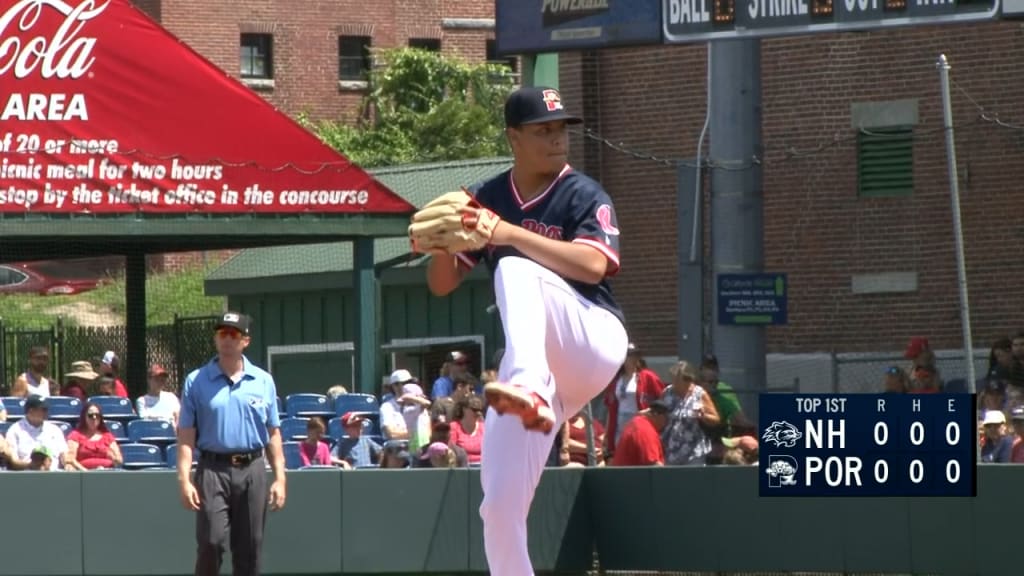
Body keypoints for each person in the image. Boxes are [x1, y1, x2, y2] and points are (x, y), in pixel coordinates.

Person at [419, 86, 628, 576]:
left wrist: (508, 234)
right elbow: (442, 285)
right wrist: (441, 245)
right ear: (514, 137)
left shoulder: (582, 192)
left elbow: (596, 265)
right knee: (499, 505)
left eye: (561, 129)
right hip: (533, 377)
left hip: (590, 339)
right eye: (544, 130)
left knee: (513, 268)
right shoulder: (490, 197)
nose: (558, 139)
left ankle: (531, 383)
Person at [176, 311, 287, 576]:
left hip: (253, 468)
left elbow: (273, 433)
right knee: (210, 543)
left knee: (250, 546)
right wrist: (184, 479)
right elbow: (186, 436)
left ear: (245, 341)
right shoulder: (196, 380)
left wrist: (280, 477)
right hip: (213, 469)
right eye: (221, 333)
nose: (226, 339)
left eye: (233, 334)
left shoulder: (262, 381)